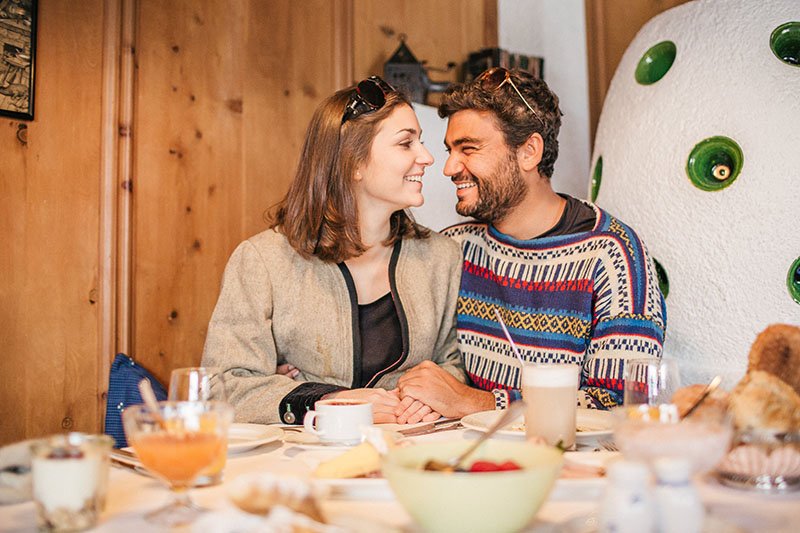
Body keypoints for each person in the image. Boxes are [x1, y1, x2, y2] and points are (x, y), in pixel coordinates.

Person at [395, 68, 667, 418]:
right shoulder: (457, 248)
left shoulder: (614, 256)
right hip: (465, 449)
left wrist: (475, 402)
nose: (449, 168)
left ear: (529, 151)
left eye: (469, 149)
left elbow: (623, 404)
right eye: (450, 150)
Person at [202, 76, 465, 425]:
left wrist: (428, 397)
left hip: (414, 449)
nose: (427, 158)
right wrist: (325, 399)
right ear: (353, 162)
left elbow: (454, 365)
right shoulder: (262, 260)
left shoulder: (442, 257)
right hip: (305, 457)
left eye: (422, 143)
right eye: (406, 144)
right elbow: (222, 387)